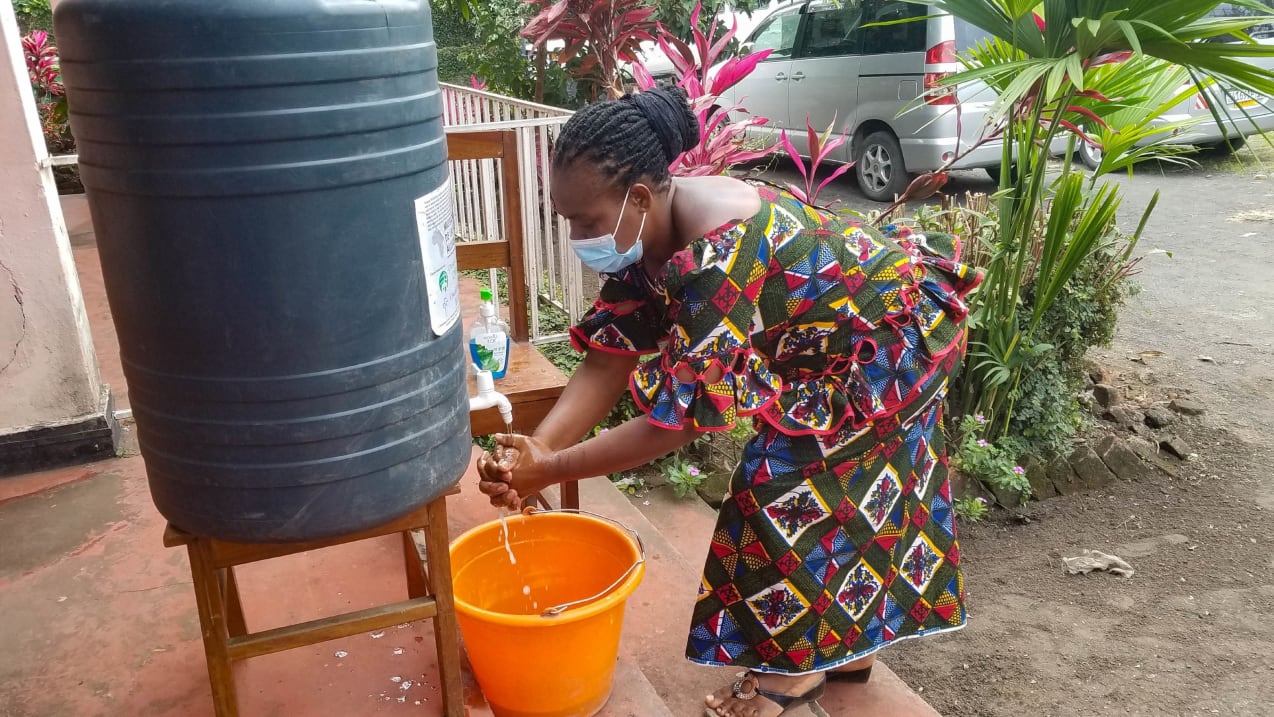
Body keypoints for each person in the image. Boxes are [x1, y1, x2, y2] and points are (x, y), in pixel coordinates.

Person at [476, 86, 980, 716]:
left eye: (584, 222)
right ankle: (846, 655)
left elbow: (676, 425)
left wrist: (548, 469)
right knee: (855, 499)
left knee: (784, 490)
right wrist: (539, 446)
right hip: (839, 343)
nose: (578, 235)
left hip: (891, 344)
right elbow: (610, 358)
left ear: (636, 197)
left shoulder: (718, 253)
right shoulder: (649, 228)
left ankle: (794, 677)